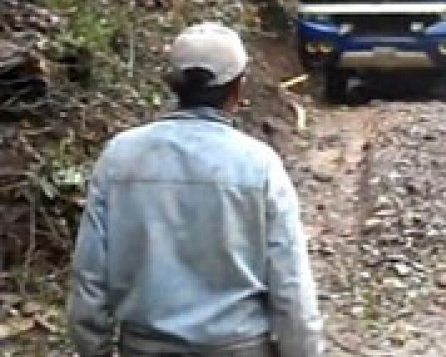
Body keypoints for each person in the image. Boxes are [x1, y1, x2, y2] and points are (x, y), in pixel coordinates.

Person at [67, 22, 323, 357]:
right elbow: (290, 285)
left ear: (174, 85)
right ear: (238, 89)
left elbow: (90, 277)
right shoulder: (259, 164)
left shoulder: (120, 157)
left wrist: (94, 349)